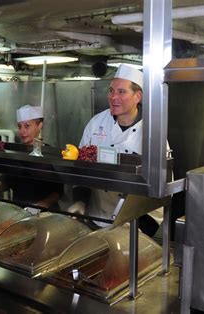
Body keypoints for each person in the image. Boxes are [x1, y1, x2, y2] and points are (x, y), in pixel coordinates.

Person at [69, 64, 162, 236]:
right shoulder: (96, 123)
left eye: (121, 92)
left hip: (136, 225)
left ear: (138, 96)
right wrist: (80, 200)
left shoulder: (153, 131)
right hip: (97, 219)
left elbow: (160, 184)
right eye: (111, 91)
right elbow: (81, 167)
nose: (113, 97)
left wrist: (139, 223)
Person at [0, 105, 62, 209]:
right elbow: (8, 181)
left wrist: (39, 206)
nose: (22, 131)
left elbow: (58, 191)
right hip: (19, 211)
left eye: (27, 126)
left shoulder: (49, 154)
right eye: (20, 126)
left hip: (46, 215)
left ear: (39, 125)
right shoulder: (17, 152)